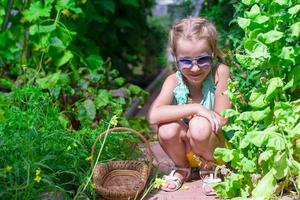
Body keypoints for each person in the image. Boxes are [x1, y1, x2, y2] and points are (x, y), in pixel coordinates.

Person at [147, 17, 231, 194]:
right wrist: (196, 108)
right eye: (186, 61)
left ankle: (210, 169)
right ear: (175, 57)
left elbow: (222, 119)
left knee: (198, 125)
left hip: (215, 148)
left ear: (214, 53)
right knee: (166, 129)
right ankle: (182, 168)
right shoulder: (173, 81)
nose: (194, 68)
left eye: (202, 60)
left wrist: (197, 118)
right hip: (186, 151)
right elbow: (153, 115)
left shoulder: (219, 73)